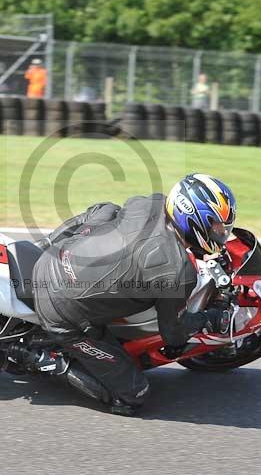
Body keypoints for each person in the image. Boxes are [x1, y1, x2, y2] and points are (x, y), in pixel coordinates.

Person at [31, 173, 237, 414]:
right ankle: (49, 361)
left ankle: (45, 243)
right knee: (134, 395)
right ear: (194, 218)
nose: (222, 234)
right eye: (217, 226)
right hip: (60, 309)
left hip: (53, 257)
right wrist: (210, 317)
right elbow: (174, 334)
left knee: (107, 210)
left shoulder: (151, 204)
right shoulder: (178, 272)